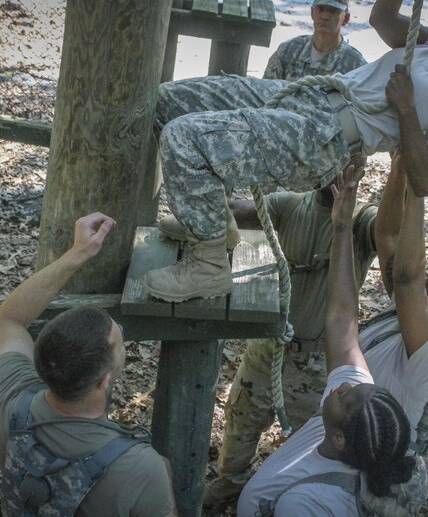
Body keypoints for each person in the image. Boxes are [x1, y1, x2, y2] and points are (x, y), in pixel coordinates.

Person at [142, 0, 428, 303]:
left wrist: (407, 110)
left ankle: (209, 264)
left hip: (322, 139)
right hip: (308, 96)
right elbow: (382, 20)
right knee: (168, 101)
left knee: (185, 137)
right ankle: (213, 223)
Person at [238, 154, 428, 515]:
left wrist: (420, 183)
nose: (341, 387)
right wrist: (397, 168)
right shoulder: (363, 388)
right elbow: (342, 316)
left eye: (427, 290)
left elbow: (406, 276)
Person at [156, 155, 377, 507]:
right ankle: (232, 481)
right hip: (269, 349)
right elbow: (232, 210)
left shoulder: (364, 221)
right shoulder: (290, 205)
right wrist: (203, 184)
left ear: (361, 169)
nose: (336, 169)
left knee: (314, 443)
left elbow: (394, 235)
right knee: (240, 418)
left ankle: (291, 500)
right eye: (330, 155)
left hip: (320, 362)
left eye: (348, 160)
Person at [0, 213, 177, 516]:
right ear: (103, 382)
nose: (122, 334)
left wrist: (77, 254)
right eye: (119, 339)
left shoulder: (9, 398)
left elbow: (9, 318)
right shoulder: (140, 468)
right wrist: (161, 481)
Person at [263, 0, 366, 81]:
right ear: (312, 13)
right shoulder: (288, 50)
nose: (325, 16)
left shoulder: (355, 65)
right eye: (321, 9)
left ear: (346, 19)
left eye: (333, 11)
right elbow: (266, 91)